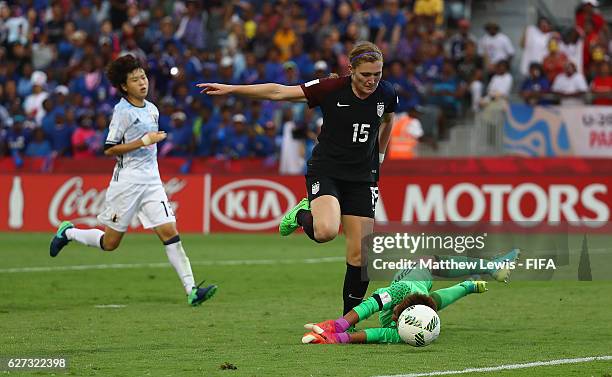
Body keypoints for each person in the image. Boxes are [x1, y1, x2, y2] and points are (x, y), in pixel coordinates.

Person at [197, 41, 398, 315]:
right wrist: (232, 88)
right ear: (350, 70)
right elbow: (279, 92)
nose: (372, 80)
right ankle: (302, 213)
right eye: (365, 74)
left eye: (377, 74)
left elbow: (388, 120)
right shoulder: (329, 89)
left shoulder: (386, 93)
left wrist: (381, 156)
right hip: (327, 170)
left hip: (362, 177)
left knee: (361, 256)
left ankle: (347, 321)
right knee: (326, 231)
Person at [49, 54, 217, 307]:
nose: (142, 82)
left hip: (152, 183)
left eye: (144, 77)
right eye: (135, 79)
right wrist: (144, 141)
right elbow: (109, 148)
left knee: (171, 233)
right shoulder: (122, 112)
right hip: (126, 183)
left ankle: (192, 290)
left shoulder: (152, 109)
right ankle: (69, 232)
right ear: (124, 86)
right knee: (110, 243)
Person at [301, 249, 520, 344]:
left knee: (428, 265)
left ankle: (487, 269)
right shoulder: (401, 292)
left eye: (397, 318)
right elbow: (369, 306)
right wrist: (337, 326)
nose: (395, 319)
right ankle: (485, 270)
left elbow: (376, 334)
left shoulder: (404, 331)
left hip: (417, 284)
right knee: (429, 266)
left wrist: (339, 336)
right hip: (415, 281)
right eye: (397, 315)